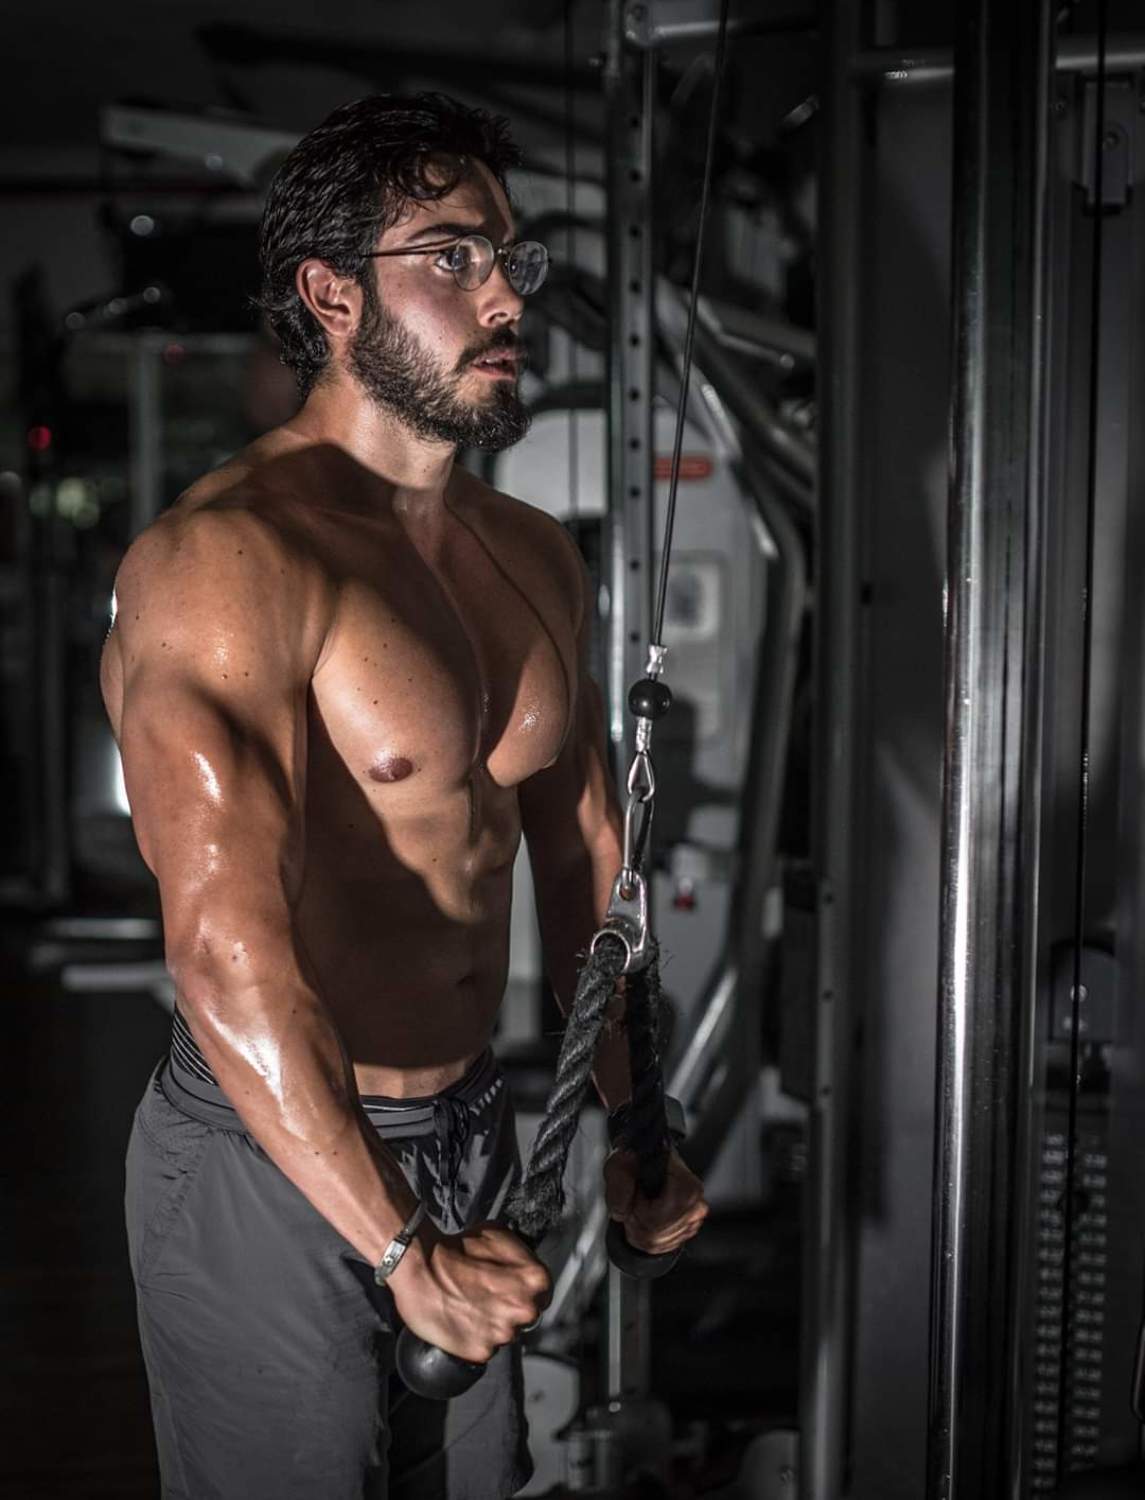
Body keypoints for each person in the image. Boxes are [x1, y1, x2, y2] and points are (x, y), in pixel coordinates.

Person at [101, 92, 708, 1499]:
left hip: (471, 1134)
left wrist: (637, 1120)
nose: (506, 296)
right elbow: (223, 948)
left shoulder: (533, 556)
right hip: (269, 1155)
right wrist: (393, 1246)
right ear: (331, 296)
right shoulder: (229, 563)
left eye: (509, 256)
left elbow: (589, 867)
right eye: (452, 257)